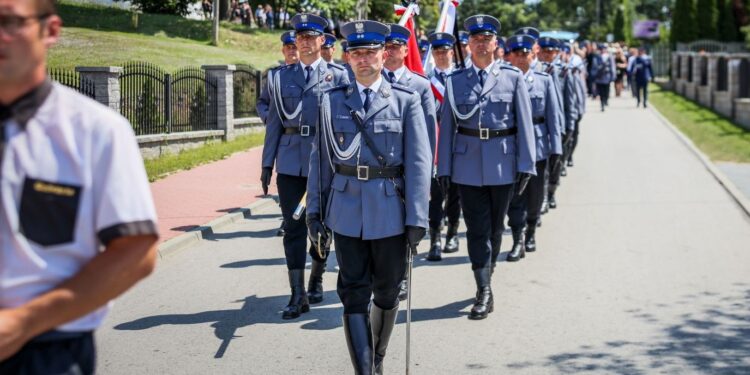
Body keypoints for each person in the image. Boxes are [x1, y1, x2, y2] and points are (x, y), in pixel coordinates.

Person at [0, 0, 159, 372]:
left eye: (9, 21)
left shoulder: (94, 131)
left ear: (50, 30)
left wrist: (23, 322)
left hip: (44, 353)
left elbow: (136, 251)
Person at [306, 20, 431, 374]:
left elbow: (419, 164)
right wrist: (315, 213)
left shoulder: (406, 101)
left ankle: (377, 355)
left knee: (388, 292)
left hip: (391, 211)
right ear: (348, 57)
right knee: (353, 293)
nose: (363, 59)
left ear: (383, 54)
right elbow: (321, 162)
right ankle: (365, 369)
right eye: (356, 53)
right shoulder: (330, 102)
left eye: (370, 52)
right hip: (345, 211)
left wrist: (417, 218)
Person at [437, 15, 536, 320]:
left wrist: (526, 165)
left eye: (486, 39)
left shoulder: (513, 78)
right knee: (477, 229)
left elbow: (524, 125)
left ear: (496, 43)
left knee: (495, 228)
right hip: (466, 167)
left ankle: (487, 273)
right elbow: (448, 126)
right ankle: (484, 290)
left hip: (503, 164)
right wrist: (443, 168)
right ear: (468, 44)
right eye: (475, 39)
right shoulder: (455, 81)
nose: (481, 44)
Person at [260, 13, 349, 319]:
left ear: (322, 41)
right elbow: (273, 123)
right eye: (301, 38)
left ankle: (317, 276)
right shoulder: (280, 77)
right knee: (293, 228)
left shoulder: (338, 76)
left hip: (325, 163)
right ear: (295, 42)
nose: (306, 43)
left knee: (323, 225)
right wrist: (266, 164)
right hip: (290, 163)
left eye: (312, 38)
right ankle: (297, 294)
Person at [382, 24, 437, 299]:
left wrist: (425, 175)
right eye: (386, 46)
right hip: (380, 169)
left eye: (395, 46)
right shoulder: (371, 79)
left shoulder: (420, 85)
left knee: (405, 224)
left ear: (406, 50)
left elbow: (427, 134)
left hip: (406, 169)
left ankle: (402, 276)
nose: (390, 51)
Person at [504, 34, 562, 261]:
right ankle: (518, 238)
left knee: (535, 194)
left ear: (532, 54)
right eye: (516, 54)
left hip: (537, 145)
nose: (520, 59)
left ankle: (530, 232)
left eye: (524, 54)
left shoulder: (544, 80)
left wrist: (556, 148)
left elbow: (553, 117)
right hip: (512, 146)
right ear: (510, 57)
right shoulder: (504, 79)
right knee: (515, 196)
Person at [426, 31, 462, 260]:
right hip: (433, 146)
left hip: (457, 144)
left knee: (455, 194)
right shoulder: (424, 80)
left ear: (452, 52)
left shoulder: (460, 79)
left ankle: (453, 233)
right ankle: (435, 240)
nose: (441, 55)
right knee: (435, 196)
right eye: (437, 51)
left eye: (445, 51)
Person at [591, 43, 616, 111]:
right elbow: (594, 66)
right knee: (601, 91)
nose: (603, 50)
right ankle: (602, 104)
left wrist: (613, 76)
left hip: (607, 76)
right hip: (599, 77)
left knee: (606, 90)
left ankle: (606, 100)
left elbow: (612, 67)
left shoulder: (609, 56)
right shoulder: (597, 56)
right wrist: (594, 75)